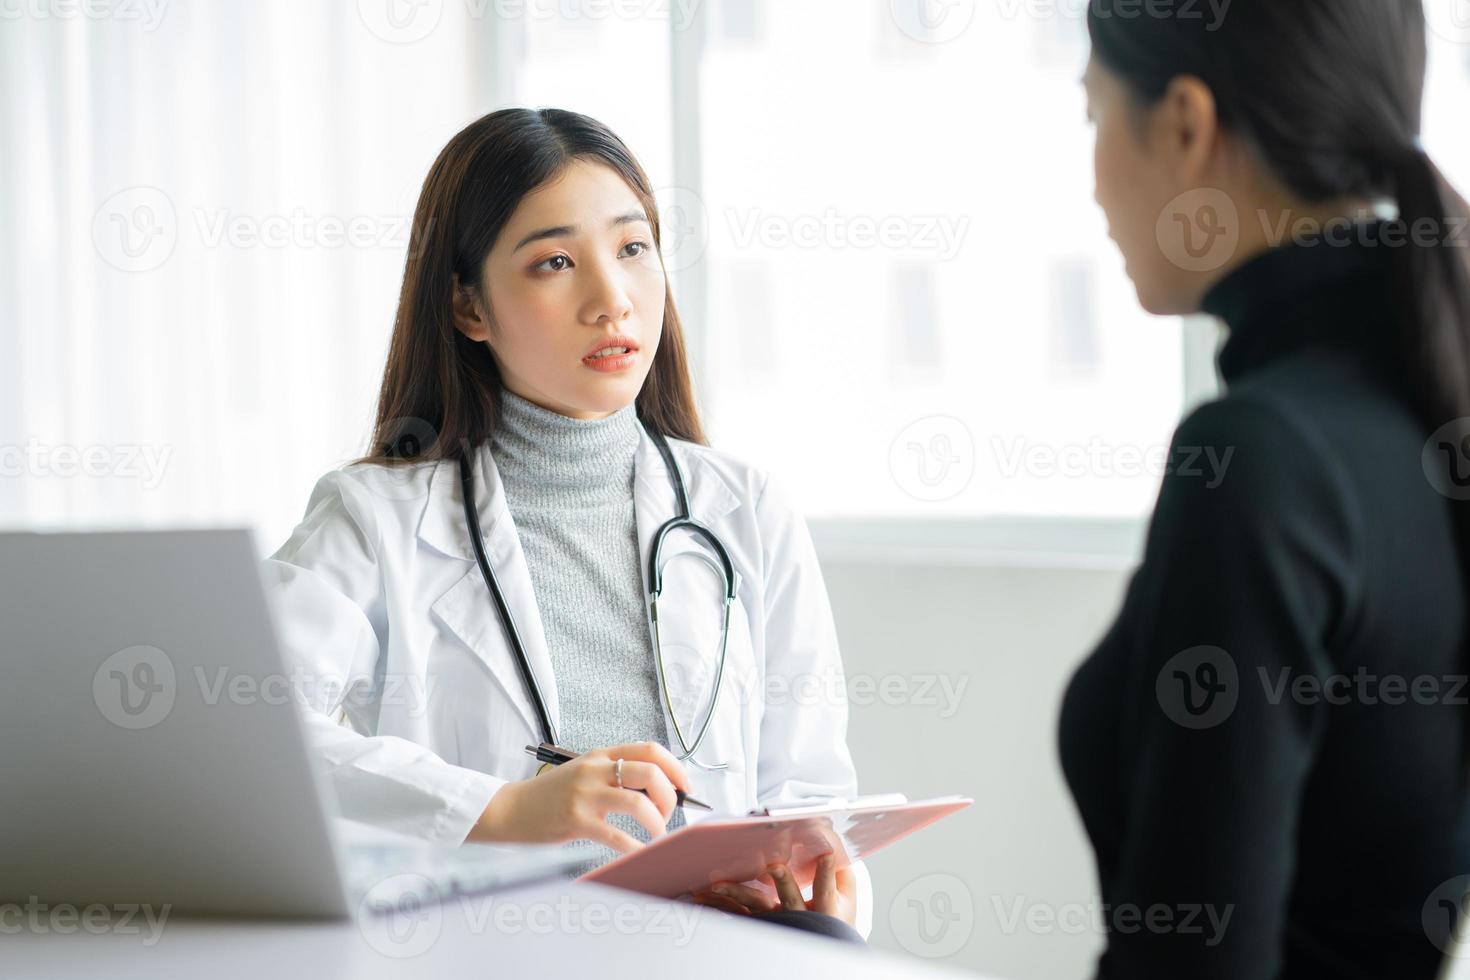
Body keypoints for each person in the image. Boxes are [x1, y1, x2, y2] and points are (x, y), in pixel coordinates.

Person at [262, 108, 869, 943]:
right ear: (469, 308)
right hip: (487, 949)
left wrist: (812, 884)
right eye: (554, 262)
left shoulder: (746, 508)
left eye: (632, 248)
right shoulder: (374, 520)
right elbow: (257, 737)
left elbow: (805, 792)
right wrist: (501, 810)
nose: (612, 299)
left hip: (711, 950)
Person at [1059, 1, 1470, 975]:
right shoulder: (1420, 409)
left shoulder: (1260, 457)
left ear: (1187, 124)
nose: (1092, 182)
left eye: (1093, 118)